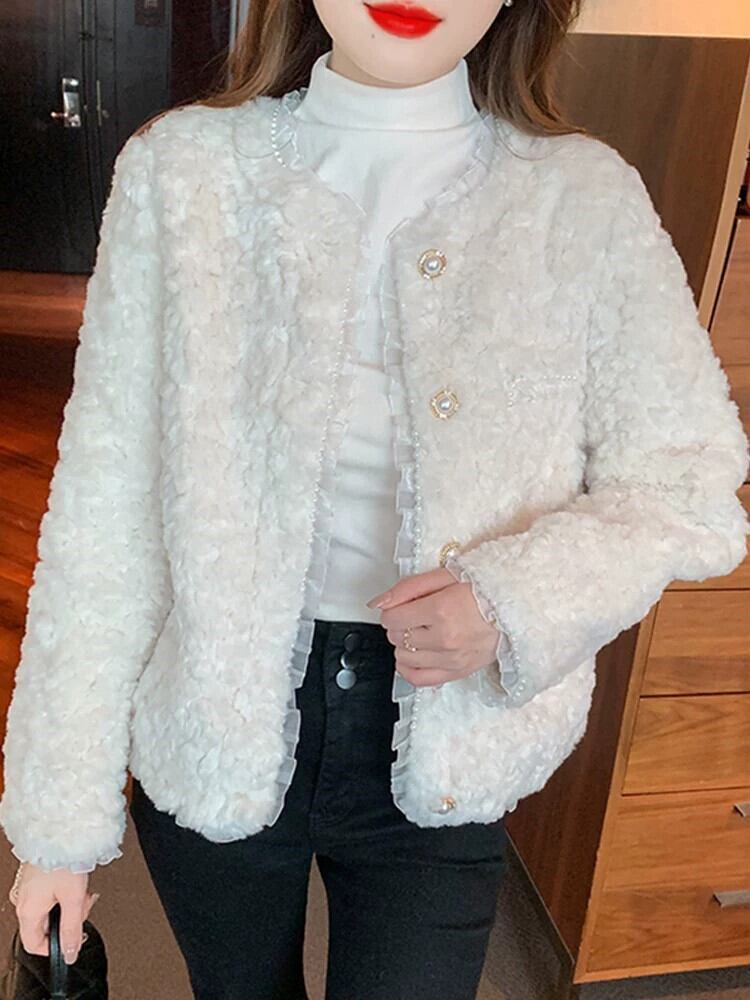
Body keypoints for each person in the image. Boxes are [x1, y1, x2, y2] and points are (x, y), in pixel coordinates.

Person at [3, 1, 749, 998]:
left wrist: (513, 599)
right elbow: (106, 513)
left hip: (445, 739)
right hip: (215, 716)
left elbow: (690, 480)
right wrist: (57, 826)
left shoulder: (581, 197)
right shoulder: (181, 173)